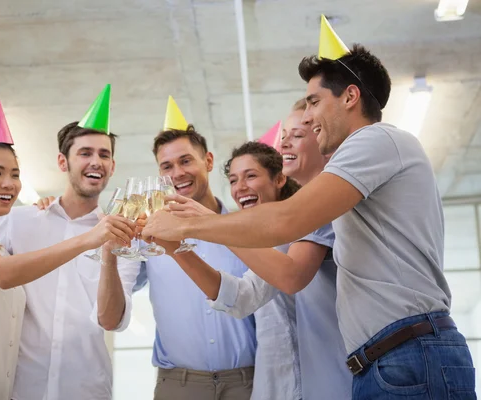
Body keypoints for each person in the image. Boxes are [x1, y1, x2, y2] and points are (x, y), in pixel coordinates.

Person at [142, 43, 477, 398]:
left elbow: (288, 229)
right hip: (387, 359)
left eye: (314, 104)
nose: (309, 117)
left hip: (407, 352)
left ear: (350, 97)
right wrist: (181, 238)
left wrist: (191, 223)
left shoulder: (375, 140)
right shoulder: (340, 190)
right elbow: (247, 289)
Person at [0, 86, 142, 400]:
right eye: (85, 152)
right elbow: (1, 275)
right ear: (63, 162)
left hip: (68, 388)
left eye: (15, 174)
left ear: (113, 166)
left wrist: (107, 249)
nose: (8, 183)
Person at [150, 99, 351, 399]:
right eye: (233, 180)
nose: (240, 187)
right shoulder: (259, 241)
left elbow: (290, 275)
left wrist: (208, 223)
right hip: (275, 386)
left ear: (279, 179)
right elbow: (244, 297)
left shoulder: (317, 214)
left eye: (251, 176)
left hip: (329, 378)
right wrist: (179, 248)